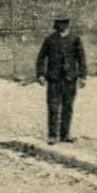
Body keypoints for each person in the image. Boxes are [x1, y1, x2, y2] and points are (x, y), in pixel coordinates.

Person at [35, 16, 87, 144]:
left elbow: (82, 59)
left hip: (70, 78)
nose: (62, 26)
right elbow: (41, 58)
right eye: (59, 23)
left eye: (64, 23)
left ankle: (65, 134)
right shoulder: (50, 39)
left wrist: (83, 76)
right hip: (54, 79)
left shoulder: (75, 39)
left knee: (68, 106)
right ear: (56, 24)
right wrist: (40, 74)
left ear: (68, 24)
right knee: (53, 106)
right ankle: (53, 135)